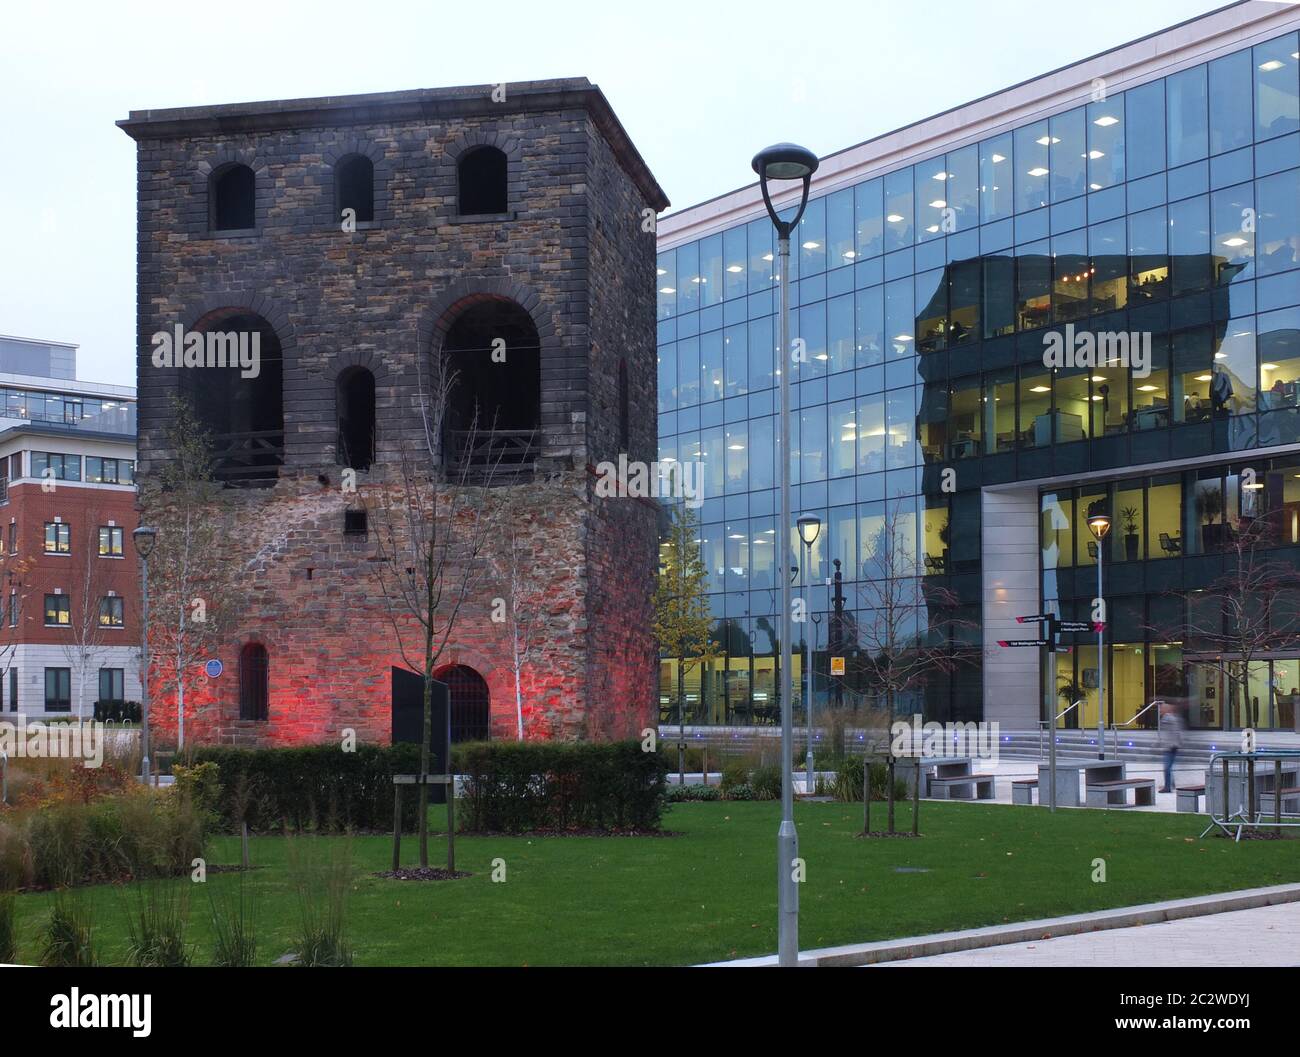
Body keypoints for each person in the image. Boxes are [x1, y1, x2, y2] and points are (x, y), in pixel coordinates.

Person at [1157, 699, 1184, 793]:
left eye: (1161, 709)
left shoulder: (1168, 718)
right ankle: (1171, 784)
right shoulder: (1170, 718)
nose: (1159, 711)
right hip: (1172, 745)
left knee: (1167, 767)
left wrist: (1176, 743)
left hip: (1170, 746)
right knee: (1169, 767)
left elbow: (1176, 732)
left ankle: (1168, 787)